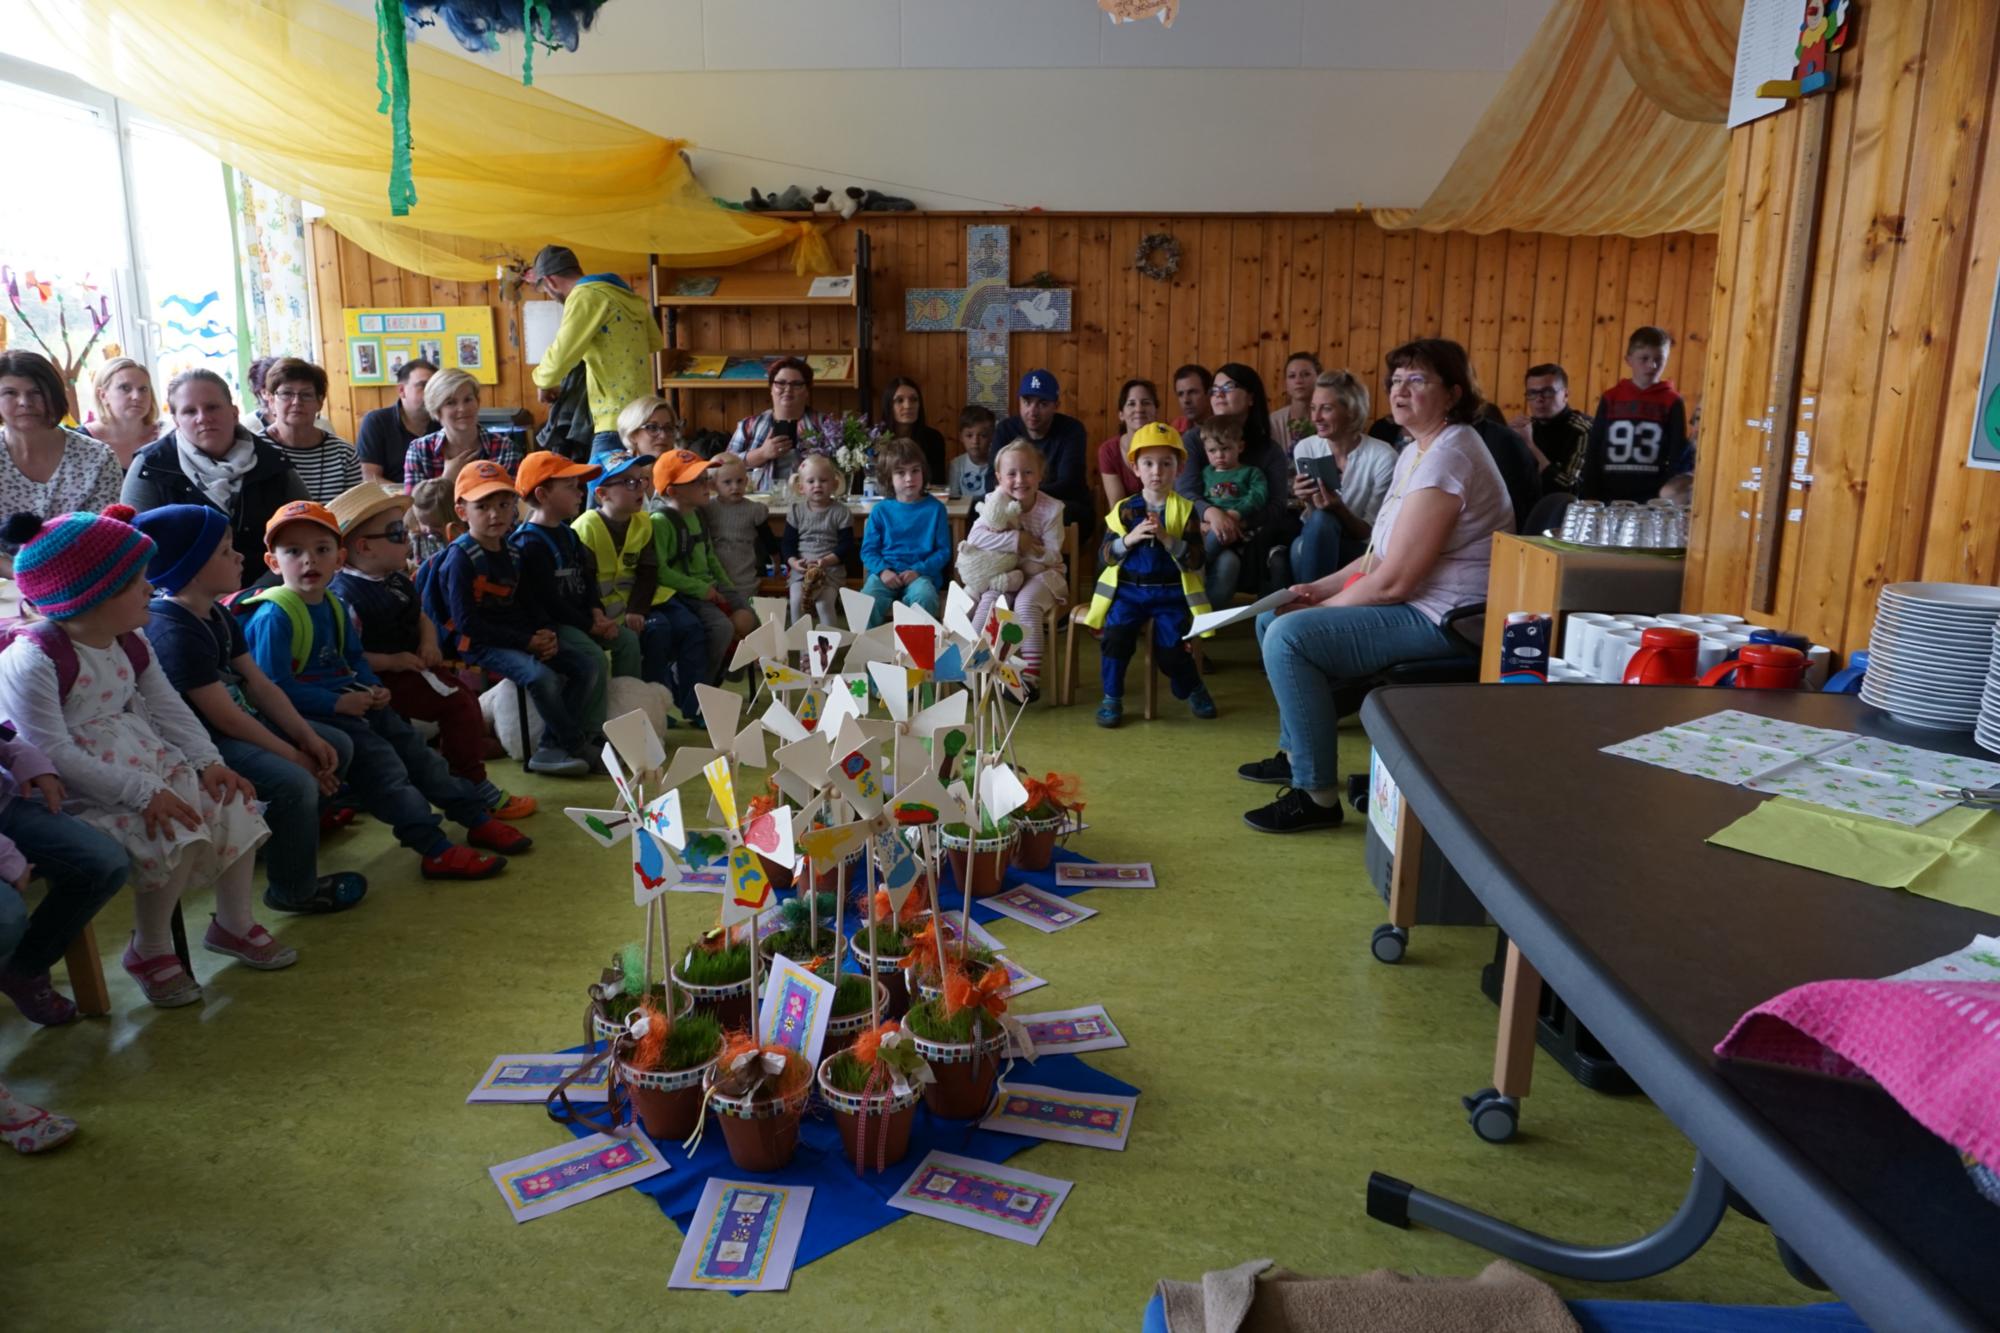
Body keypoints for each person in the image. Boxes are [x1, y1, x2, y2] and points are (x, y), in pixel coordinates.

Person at [0, 505, 277, 1008]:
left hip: (146, 764)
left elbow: (167, 707)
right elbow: (50, 751)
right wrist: (145, 792)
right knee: (172, 827)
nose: (151, 589)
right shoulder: (33, 659)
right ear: (88, 598)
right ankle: (150, 950)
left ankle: (233, 924)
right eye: (136, 583)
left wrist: (208, 761)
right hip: (83, 791)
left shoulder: (131, 639)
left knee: (233, 803)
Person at [1239, 338, 1511, 834]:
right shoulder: (1417, 450)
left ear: (1452, 393)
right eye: (1396, 381)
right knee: (1271, 614)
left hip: (1449, 619)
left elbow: (1396, 582)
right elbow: (1377, 555)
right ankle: (1298, 751)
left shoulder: (1449, 457)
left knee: (1289, 635)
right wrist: (1313, 590)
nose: (1401, 391)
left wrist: (1314, 611)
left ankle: (1315, 795)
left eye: (1417, 380)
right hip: (1421, 604)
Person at [249, 499, 526, 878]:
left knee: (418, 753)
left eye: (321, 549)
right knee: (386, 769)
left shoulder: (331, 604)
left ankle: (472, 815)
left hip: (354, 700)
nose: (309, 561)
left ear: (339, 557)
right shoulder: (274, 616)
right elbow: (272, 691)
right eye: (293, 551)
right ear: (273, 563)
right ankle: (434, 847)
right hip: (311, 715)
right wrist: (339, 703)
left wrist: (375, 688)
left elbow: (354, 659)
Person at [136, 505, 368, 917]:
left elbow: (260, 685)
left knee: (336, 745)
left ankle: (282, 837)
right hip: (204, 746)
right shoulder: (172, 630)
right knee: (296, 781)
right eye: (225, 551)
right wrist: (295, 756)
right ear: (191, 568)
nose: (240, 556)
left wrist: (307, 738)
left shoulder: (216, 611)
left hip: (238, 726)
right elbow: (225, 719)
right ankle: (292, 889)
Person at [327, 482, 535, 820]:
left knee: (462, 700)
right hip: (376, 681)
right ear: (364, 547)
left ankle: (453, 774)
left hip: (411, 665)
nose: (407, 538)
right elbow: (345, 658)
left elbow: (421, 614)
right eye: (397, 533)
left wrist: (428, 641)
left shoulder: (394, 577)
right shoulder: (345, 597)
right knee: (458, 704)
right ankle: (472, 783)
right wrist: (392, 661)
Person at [429, 462, 598, 777]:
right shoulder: (460, 559)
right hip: (476, 642)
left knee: (585, 666)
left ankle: (550, 747)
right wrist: (526, 642)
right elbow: (468, 624)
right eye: (483, 506)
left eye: (504, 504)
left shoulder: (513, 552)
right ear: (462, 511)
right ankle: (574, 744)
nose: (495, 514)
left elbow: (529, 603)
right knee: (540, 677)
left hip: (515, 635)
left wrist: (544, 633)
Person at [0, 692, 128, 1028]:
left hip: (5, 807)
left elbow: (4, 734)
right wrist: (6, 855)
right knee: (5, 917)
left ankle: (22, 971)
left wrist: (26, 757)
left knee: (103, 863)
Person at [1079, 423, 1215, 728]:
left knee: (1172, 651)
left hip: (1169, 595)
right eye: (1148, 463)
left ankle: (1192, 686)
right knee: (1115, 639)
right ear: (1135, 468)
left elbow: (1196, 559)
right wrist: (1129, 539)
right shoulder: (1125, 511)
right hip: (1129, 592)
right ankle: (1112, 698)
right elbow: (1104, 556)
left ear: (1179, 468)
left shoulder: (1186, 510)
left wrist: (1168, 539)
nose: (1157, 471)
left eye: (1166, 464)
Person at [122, 368, 309, 592]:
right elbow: (137, 550)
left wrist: (254, 597)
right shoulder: (149, 467)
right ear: (176, 421)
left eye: (212, 407)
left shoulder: (274, 463)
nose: (203, 418)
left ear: (234, 412)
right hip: (181, 603)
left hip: (272, 598)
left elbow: (305, 536)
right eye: (190, 411)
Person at [510, 452, 640, 747]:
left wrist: (597, 612)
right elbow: (548, 601)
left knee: (628, 641)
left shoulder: (569, 535)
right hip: (554, 625)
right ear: (543, 494)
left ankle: (629, 719)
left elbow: (588, 580)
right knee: (592, 657)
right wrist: (589, 625)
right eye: (571, 486)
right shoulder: (528, 543)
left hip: (583, 618)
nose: (581, 493)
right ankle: (592, 733)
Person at [574, 450, 707, 725]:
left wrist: (637, 609)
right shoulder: (585, 528)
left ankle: (694, 707)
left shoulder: (643, 522)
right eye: (629, 483)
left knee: (691, 626)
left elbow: (648, 573)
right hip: (602, 609)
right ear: (603, 494)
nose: (639, 489)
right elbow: (583, 581)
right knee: (657, 631)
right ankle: (649, 705)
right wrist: (603, 614)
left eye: (641, 481)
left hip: (638, 602)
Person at [527, 246, 663, 465]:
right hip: (642, 416)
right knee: (636, 495)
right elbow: (655, 341)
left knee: (600, 496)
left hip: (613, 420)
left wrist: (544, 381)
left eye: (546, 289)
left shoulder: (585, 295)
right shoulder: (626, 296)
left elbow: (562, 352)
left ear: (550, 282)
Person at [1177, 363, 1293, 592]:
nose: (1219, 394)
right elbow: (1185, 491)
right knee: (1226, 563)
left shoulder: (1269, 451)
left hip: (1250, 535)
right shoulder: (1194, 440)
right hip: (1199, 529)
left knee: (1237, 564)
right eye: (1215, 388)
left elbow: (1277, 505)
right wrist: (1212, 515)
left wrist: (1236, 521)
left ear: (1251, 398)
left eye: (1229, 387)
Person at [961, 440, 1067, 692]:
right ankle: (974, 664)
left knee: (1025, 603)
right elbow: (975, 538)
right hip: (1007, 574)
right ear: (998, 478)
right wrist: (1018, 540)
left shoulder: (1051, 509)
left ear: (1040, 474)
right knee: (990, 600)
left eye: (1028, 472)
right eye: (1011, 474)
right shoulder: (994, 503)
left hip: (1044, 576)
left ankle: (1029, 677)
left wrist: (1026, 559)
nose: (1020, 479)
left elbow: (1051, 555)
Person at [652, 450, 755, 681]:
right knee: (722, 629)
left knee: (749, 618)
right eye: (696, 480)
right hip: (684, 592)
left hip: (710, 584)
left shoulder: (697, 515)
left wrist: (728, 589)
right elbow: (661, 572)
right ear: (672, 491)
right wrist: (702, 590)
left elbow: (710, 558)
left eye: (704, 477)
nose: (705, 483)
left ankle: (725, 671)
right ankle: (699, 687)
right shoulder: (661, 522)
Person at [0, 351, 123, 544]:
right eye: (10, 393)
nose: (24, 402)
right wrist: (21, 573)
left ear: (54, 396)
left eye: (36, 392)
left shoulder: (98, 458)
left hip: (83, 567)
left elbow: (102, 535)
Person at [1289, 370, 1399, 582]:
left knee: (1300, 547)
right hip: (1318, 537)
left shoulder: (1383, 457)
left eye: (1326, 409)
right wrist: (1307, 499)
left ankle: (1308, 605)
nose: (1316, 417)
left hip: (1364, 551)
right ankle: (1312, 606)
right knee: (1311, 531)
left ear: (1351, 411)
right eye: (1313, 408)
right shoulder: (1306, 448)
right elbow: (1314, 521)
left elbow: (1370, 535)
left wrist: (1338, 507)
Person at [1576, 327, 1691, 504]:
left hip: (1652, 491)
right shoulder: (1611, 397)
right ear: (1629, 360)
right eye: (1644, 359)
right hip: (1608, 489)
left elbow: (1677, 453)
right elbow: (1595, 447)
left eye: (1659, 360)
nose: (1652, 365)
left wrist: (1665, 493)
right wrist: (1590, 490)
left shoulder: (1672, 401)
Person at [989, 370, 1092, 535]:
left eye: (1042, 404)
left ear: (1056, 406)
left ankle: (1050, 560)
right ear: (1019, 402)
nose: (1033, 411)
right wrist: (1020, 497)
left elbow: (1069, 483)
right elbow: (992, 479)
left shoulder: (1072, 430)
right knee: (980, 508)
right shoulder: (1005, 429)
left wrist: (1027, 498)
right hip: (1013, 501)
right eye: (1027, 402)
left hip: (1060, 504)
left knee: (1068, 514)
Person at [859, 439, 950, 625]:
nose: (910, 478)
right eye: (901, 473)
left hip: (921, 576)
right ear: (888, 478)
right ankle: (867, 649)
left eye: (915, 470)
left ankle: (915, 651)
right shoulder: (880, 511)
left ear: (923, 472)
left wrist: (918, 570)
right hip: (885, 574)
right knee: (865, 601)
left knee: (925, 598)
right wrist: (883, 571)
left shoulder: (936, 509)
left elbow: (943, 552)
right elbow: (868, 551)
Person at [400, 368, 525, 496]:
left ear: (478, 402)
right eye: (451, 403)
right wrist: (446, 479)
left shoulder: (505, 447)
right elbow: (414, 508)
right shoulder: (419, 450)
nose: (462, 408)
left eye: (468, 400)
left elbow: (510, 506)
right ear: (437, 410)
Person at [727, 358, 839, 491]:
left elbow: (842, 470)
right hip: (760, 504)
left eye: (796, 384)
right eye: (781, 383)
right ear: (771, 389)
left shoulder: (826, 426)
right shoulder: (748, 425)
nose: (788, 389)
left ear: (807, 391)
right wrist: (762, 453)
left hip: (813, 505)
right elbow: (725, 465)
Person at [259, 358, 361, 505]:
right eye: (287, 393)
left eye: (306, 395)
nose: (296, 402)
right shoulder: (254, 450)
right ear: (271, 400)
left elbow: (355, 512)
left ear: (320, 402)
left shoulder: (344, 454)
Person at [1198, 418, 1271, 607]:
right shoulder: (1206, 473)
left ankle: (1195, 567)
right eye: (1212, 451)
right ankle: (1196, 606)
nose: (1219, 455)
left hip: (1240, 533)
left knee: (1228, 559)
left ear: (1240, 446)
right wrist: (1204, 522)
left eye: (1226, 449)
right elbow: (1196, 501)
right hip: (1208, 532)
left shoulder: (1250, 473)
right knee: (1229, 563)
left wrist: (1235, 514)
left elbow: (1258, 495)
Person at [785, 453, 853, 627]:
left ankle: (827, 649)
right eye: (811, 481)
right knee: (796, 601)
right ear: (801, 487)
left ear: (834, 484)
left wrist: (826, 561)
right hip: (801, 572)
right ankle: (803, 649)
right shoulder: (796, 511)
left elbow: (847, 546)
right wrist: (794, 563)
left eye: (823, 480)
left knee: (824, 604)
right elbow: (787, 544)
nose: (817, 485)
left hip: (830, 571)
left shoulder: (841, 512)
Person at [1507, 363, 1593, 494]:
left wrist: (1530, 446)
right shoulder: (1527, 427)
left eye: (1547, 392)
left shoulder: (1583, 430)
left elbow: (1570, 489)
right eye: (1532, 393)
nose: (1539, 399)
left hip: (1566, 510)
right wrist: (1507, 439)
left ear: (1566, 395)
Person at [703, 453, 769, 616]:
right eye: (727, 482)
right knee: (721, 613)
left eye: (740, 481)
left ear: (747, 481)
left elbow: (768, 538)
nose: (735, 487)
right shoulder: (707, 508)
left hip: (744, 575)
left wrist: (775, 561)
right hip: (716, 575)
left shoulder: (754, 510)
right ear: (713, 485)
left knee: (747, 614)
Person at [355, 357, 436, 485]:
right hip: (392, 501)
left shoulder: (445, 422)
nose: (431, 393)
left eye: (435, 387)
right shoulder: (377, 422)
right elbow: (369, 477)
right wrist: (411, 497)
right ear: (401, 391)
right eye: (423, 386)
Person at [80, 356, 169, 467]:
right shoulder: (81, 442)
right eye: (125, 388)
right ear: (102, 395)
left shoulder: (167, 437)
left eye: (143, 389)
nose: (137, 396)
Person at [604, 394, 680, 503]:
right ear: (632, 434)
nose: (663, 435)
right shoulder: (615, 474)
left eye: (668, 428)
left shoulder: (683, 471)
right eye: (652, 427)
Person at [1095, 379, 1157, 505]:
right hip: (1124, 519)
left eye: (1146, 403)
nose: (1139, 409)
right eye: (1131, 404)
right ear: (1121, 415)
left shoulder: (1169, 446)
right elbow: (1117, 506)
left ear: (1156, 411)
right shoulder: (1108, 450)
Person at [881, 377, 946, 483]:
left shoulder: (933, 439)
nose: (908, 406)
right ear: (889, 406)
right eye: (900, 400)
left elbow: (937, 483)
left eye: (914, 400)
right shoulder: (875, 439)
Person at [1269, 351, 1322, 450]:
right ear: (1286, 383)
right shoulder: (1274, 422)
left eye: (1306, 374)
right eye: (1292, 376)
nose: (1298, 381)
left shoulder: (1328, 419)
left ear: (1319, 378)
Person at [949, 405, 995, 502]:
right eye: (969, 435)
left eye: (983, 435)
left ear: (991, 437)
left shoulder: (997, 463)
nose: (975, 441)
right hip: (964, 514)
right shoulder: (957, 464)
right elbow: (954, 497)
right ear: (961, 437)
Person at [1170, 364, 1212, 433]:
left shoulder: (1227, 428)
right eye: (1180, 394)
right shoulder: (1177, 428)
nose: (1186, 400)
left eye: (1193, 392)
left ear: (1209, 393)